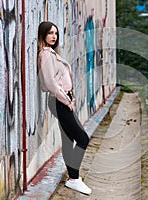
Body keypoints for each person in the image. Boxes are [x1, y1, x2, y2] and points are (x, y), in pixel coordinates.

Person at [37, 21, 92, 195]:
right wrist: (66, 101)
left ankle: (73, 178)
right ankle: (74, 179)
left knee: (69, 140)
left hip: (63, 99)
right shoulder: (45, 54)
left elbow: (62, 79)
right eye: (50, 33)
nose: (54, 36)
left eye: (55, 33)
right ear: (43, 35)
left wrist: (71, 97)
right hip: (58, 101)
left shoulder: (52, 53)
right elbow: (50, 83)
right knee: (82, 138)